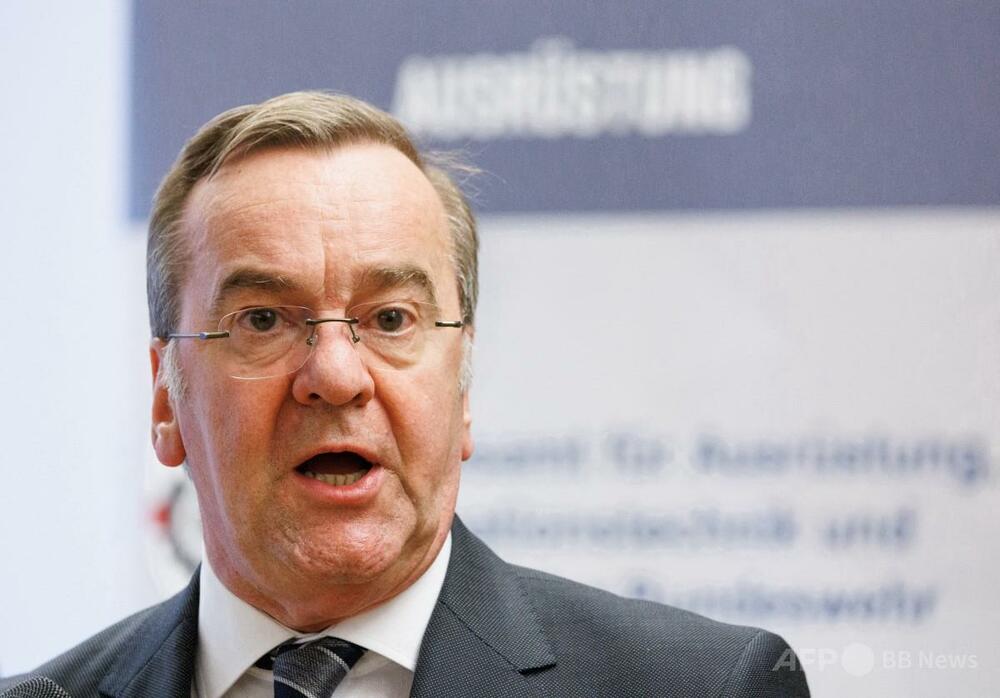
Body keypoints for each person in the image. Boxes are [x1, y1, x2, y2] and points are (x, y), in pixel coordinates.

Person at [1, 92, 809, 697]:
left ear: (462, 387)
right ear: (165, 399)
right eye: (263, 320)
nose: (336, 376)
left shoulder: (703, 687)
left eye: (391, 319)